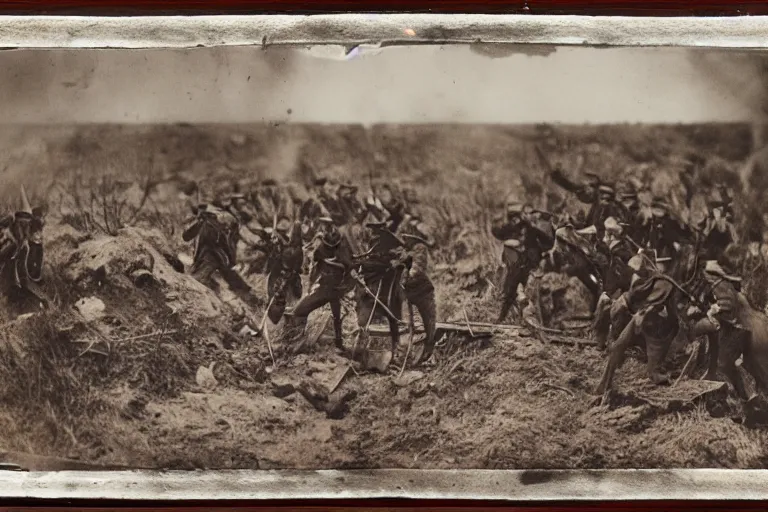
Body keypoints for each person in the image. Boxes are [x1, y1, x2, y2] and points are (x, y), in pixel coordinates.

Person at [284, 217, 356, 349]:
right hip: (334, 290)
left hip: (326, 289)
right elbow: (348, 266)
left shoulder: (325, 247)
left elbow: (315, 266)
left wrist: (313, 283)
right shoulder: (338, 247)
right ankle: (338, 342)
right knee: (336, 316)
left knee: (299, 311)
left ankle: (297, 338)